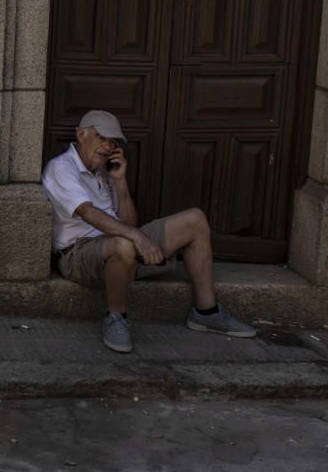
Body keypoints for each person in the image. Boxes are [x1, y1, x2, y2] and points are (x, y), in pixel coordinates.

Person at [40, 109, 256, 353]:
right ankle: (116, 317)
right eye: (101, 138)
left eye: (111, 142)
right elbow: (89, 214)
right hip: (76, 254)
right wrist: (136, 236)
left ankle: (206, 312)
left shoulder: (103, 171)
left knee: (195, 220)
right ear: (81, 134)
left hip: (119, 243)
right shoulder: (61, 168)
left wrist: (120, 182)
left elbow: (129, 224)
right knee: (125, 244)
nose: (106, 146)